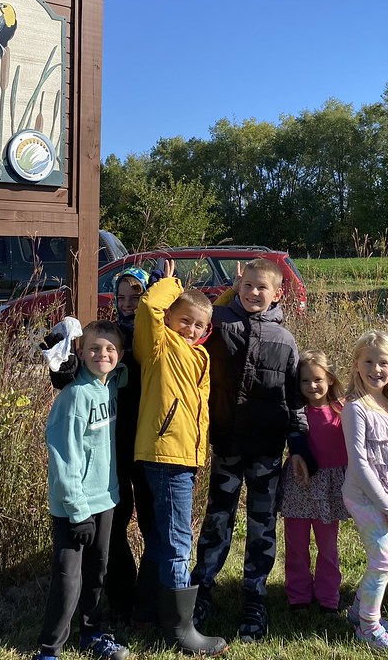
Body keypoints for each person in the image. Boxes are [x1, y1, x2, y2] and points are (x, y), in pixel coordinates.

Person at [191, 257, 306, 643]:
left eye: (263, 288)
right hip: (226, 443)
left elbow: (295, 398)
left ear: (277, 294)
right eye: (248, 285)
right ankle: (200, 590)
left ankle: (254, 598)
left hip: (267, 451)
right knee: (217, 521)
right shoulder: (219, 322)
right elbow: (183, 333)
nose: (255, 293)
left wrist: (299, 443)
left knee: (262, 527)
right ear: (238, 285)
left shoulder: (285, 341)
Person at [44, 268, 155, 626]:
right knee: (115, 528)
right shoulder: (111, 339)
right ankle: (120, 599)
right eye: (121, 298)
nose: (126, 305)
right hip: (112, 448)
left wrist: (162, 286)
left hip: (150, 444)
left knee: (154, 523)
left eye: (135, 298)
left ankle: (151, 601)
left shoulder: (156, 337)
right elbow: (71, 370)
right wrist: (63, 363)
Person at [132, 260, 227, 656]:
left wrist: (234, 292)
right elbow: (150, 308)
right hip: (165, 453)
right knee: (177, 539)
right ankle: (181, 629)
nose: (190, 330)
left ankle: (145, 612)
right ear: (170, 319)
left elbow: (209, 312)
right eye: (184, 321)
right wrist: (170, 282)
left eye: (198, 326)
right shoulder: (158, 346)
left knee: (161, 534)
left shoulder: (196, 356)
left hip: (184, 455)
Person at [33, 321, 130, 660]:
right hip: (75, 506)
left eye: (110, 349)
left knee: (97, 572)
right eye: (94, 349)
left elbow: (122, 371)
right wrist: (77, 510)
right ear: (79, 352)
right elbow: (64, 456)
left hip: (106, 499)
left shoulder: (111, 385)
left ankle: (92, 633)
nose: (102, 354)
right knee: (68, 577)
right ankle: (49, 649)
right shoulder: (74, 397)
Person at [341, 330, 388, 654]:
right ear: (357, 365)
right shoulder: (356, 409)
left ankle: (358, 608)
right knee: (383, 559)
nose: (376, 369)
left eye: (383, 363)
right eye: (368, 362)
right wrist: (387, 504)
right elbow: (359, 464)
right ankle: (368, 628)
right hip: (364, 497)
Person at [277, 350, 350, 613]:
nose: (312, 386)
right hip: (300, 485)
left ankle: (329, 597)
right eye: (305, 381)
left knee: (327, 547)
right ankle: (298, 595)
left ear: (329, 379)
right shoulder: (296, 413)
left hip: (330, 489)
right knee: (296, 546)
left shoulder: (343, 410)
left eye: (318, 380)